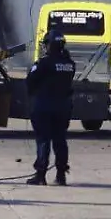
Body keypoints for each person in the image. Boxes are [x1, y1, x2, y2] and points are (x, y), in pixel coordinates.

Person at [26, 31, 76, 186]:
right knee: (60, 141)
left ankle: (40, 175)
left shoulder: (43, 63)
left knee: (43, 140)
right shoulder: (69, 64)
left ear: (49, 45)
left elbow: (30, 82)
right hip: (63, 107)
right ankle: (61, 175)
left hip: (44, 106)